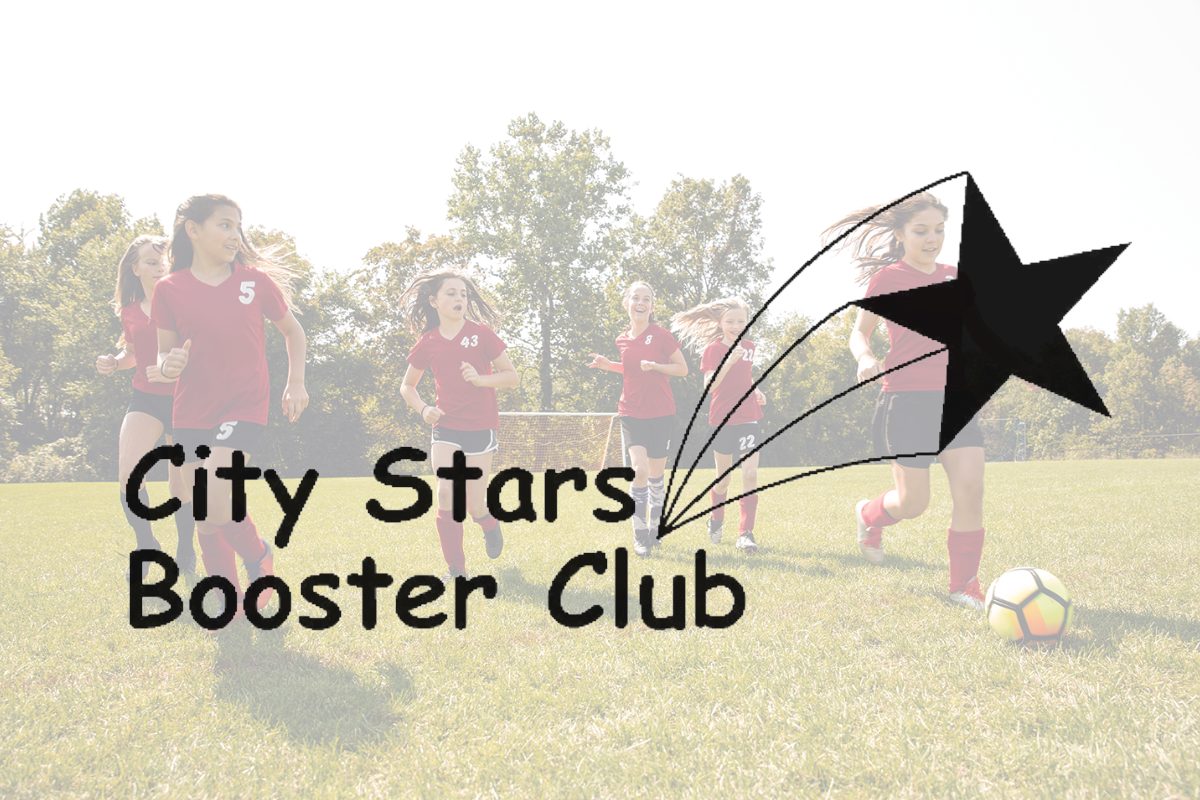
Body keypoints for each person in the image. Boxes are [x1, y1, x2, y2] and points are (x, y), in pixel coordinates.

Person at [826, 191, 987, 610]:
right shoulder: (888, 280)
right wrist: (865, 356)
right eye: (921, 231)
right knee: (914, 503)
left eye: (938, 230)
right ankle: (869, 515)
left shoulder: (957, 278)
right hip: (907, 399)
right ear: (900, 233)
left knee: (970, 488)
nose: (932, 239)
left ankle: (963, 585)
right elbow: (859, 332)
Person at [153, 195, 308, 617]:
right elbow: (163, 359)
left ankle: (259, 556)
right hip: (191, 412)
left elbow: (294, 332)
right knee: (206, 514)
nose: (233, 234)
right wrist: (172, 364)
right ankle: (230, 602)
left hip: (243, 403)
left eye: (237, 226)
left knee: (216, 500)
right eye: (223, 225)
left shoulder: (254, 282)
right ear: (194, 230)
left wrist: (296, 383)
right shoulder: (169, 290)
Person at [398, 270, 518, 579]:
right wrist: (424, 409)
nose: (459, 299)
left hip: (480, 426)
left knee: (475, 502)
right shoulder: (428, 342)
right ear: (434, 300)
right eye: (451, 293)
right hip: (446, 425)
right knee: (447, 493)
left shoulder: (482, 334)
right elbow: (407, 387)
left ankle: (488, 522)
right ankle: (457, 570)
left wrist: (480, 379)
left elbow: (511, 377)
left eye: (463, 294)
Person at [96, 234, 196, 583]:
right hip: (145, 398)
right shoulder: (130, 310)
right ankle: (146, 544)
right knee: (128, 476)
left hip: (185, 400)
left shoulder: (184, 302)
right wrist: (114, 361)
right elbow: (134, 355)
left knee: (180, 485)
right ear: (135, 268)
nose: (159, 267)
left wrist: (173, 368)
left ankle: (186, 548)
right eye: (151, 262)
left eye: (163, 261)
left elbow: (202, 351)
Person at [588, 281, 688, 557]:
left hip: (661, 413)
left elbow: (682, 369)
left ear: (652, 306)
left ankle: (655, 527)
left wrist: (656, 366)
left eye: (646, 299)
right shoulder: (621, 339)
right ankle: (639, 532)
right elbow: (631, 371)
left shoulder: (662, 336)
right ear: (627, 304)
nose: (640, 303)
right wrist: (609, 366)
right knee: (639, 470)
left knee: (656, 476)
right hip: (631, 412)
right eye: (635, 298)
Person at [671, 296, 767, 553]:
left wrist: (755, 390)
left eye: (741, 321)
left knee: (749, 474)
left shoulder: (749, 346)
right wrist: (729, 361)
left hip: (749, 417)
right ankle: (716, 519)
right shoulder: (713, 350)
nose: (736, 325)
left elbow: (743, 377)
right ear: (721, 323)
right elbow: (710, 386)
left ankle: (746, 533)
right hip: (722, 419)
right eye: (730, 321)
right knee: (722, 480)